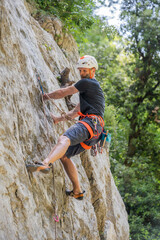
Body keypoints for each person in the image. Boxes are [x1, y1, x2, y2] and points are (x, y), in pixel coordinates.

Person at [27, 55, 105, 200]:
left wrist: (45, 96)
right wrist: (58, 119)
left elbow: (64, 92)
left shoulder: (88, 83)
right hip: (95, 133)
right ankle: (77, 190)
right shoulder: (91, 93)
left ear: (93, 70)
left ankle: (45, 163)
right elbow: (75, 112)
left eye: (85, 71)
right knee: (64, 156)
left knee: (64, 138)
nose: (82, 74)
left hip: (90, 124)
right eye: (80, 71)